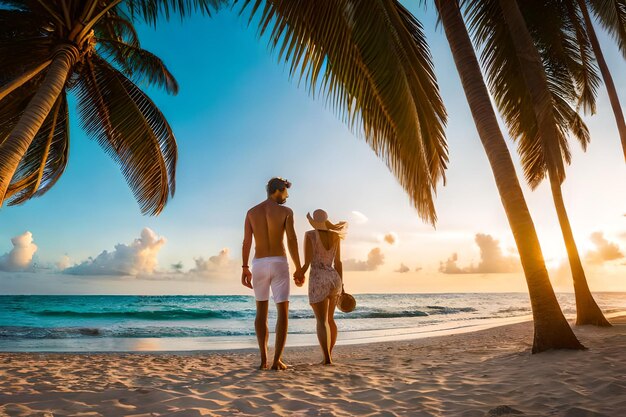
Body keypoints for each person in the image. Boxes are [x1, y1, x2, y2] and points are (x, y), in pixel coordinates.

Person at [241, 177, 304, 370]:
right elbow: (291, 239)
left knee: (261, 312)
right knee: (282, 312)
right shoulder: (286, 212)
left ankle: (263, 360)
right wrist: (299, 267)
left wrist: (244, 267)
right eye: (285, 191)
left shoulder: (251, 212)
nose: (287, 195)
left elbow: (247, 242)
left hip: (259, 263)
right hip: (278, 262)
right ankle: (277, 361)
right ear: (277, 190)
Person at [301, 209, 347, 365]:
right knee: (330, 319)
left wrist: (299, 273)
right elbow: (338, 262)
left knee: (321, 321)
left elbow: (307, 263)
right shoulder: (335, 236)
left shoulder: (310, 235)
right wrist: (343, 286)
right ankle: (329, 355)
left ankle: (326, 359)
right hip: (334, 278)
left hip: (318, 278)